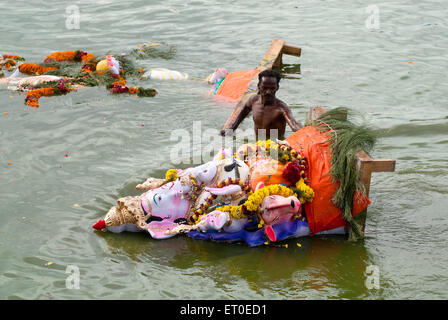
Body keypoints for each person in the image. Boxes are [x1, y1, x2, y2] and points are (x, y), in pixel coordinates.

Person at [220, 69, 302, 140]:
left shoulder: (281, 108)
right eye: (265, 88)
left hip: (275, 146)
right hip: (258, 143)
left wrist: (302, 129)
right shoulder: (253, 100)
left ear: (277, 87)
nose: (268, 92)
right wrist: (232, 128)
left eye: (272, 88)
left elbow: (294, 125)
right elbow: (243, 113)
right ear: (259, 86)